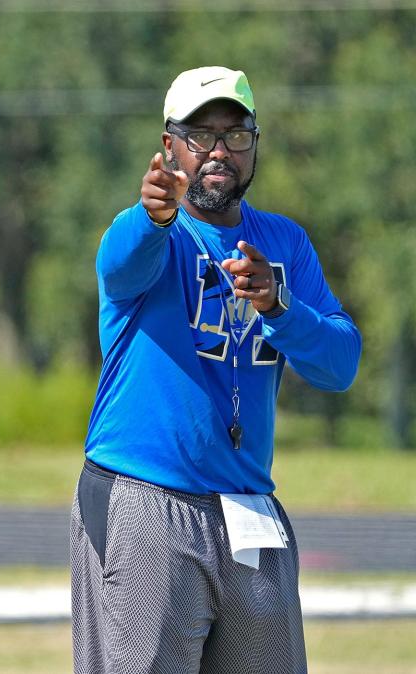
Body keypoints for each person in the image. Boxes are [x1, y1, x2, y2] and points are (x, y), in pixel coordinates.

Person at [71, 66, 362, 674]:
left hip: (248, 505)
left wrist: (281, 307)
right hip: (147, 498)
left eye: (236, 134)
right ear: (169, 145)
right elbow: (121, 266)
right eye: (200, 135)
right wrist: (152, 216)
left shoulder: (284, 242)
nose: (219, 151)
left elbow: (341, 363)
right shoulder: (152, 231)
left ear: (255, 145)